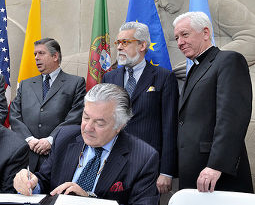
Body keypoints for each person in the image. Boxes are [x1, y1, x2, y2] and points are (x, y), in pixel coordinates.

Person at [13, 83, 159, 205]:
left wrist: (88, 201)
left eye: (99, 123)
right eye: (86, 117)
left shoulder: (143, 157)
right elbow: (45, 180)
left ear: (120, 125)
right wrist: (31, 183)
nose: (88, 127)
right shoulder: (64, 137)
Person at [174, 11, 253, 193]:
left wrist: (217, 165)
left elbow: (232, 118)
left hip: (217, 174)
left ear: (206, 33)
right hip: (194, 174)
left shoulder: (229, 60)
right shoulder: (193, 70)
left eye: (185, 35)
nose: (179, 42)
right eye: (177, 37)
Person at [102, 22, 179, 194]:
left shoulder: (163, 78)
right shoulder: (109, 78)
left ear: (143, 45)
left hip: (148, 164)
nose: (119, 48)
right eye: (118, 43)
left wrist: (166, 171)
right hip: (112, 162)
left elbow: (169, 126)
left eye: (125, 42)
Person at [148, 0, 255, 78]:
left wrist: (205, 63)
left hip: (223, 79)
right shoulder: (161, 18)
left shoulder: (219, 5)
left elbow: (251, 39)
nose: (163, 3)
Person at [10, 38, 86, 172]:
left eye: (41, 53)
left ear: (55, 56)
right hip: (26, 155)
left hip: (57, 155)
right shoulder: (25, 84)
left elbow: (75, 117)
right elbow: (15, 115)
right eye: (35, 54)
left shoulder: (75, 83)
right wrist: (29, 139)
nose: (36, 58)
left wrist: (51, 140)